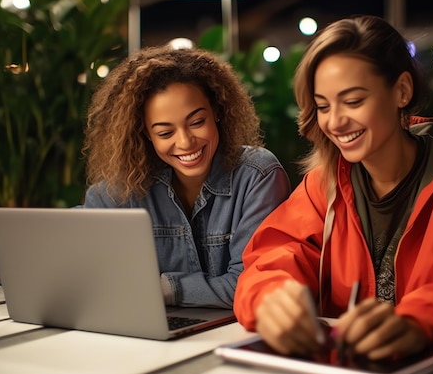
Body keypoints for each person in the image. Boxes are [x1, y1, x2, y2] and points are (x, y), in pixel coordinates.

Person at [233, 15, 433, 360]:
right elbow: (272, 258)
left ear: (402, 91)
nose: (334, 121)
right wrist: (271, 299)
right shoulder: (324, 185)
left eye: (353, 101)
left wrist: (418, 323)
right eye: (322, 106)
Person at [80, 45, 291, 309]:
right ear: (145, 133)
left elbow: (252, 283)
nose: (185, 142)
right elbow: (84, 272)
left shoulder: (257, 175)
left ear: (216, 110)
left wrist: (164, 289)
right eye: (165, 133)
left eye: (196, 122)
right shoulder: (120, 190)